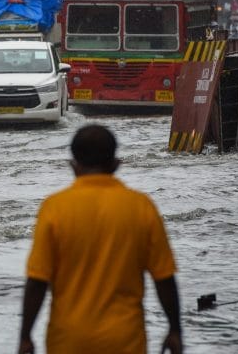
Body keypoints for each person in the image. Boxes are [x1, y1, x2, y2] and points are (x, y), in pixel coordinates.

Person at [18, 124, 182, 354]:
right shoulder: (141, 206)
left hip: (68, 341)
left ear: (73, 166)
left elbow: (37, 281)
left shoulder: (54, 208)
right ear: (116, 164)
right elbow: (164, 278)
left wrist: (25, 336)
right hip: (125, 341)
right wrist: (175, 329)